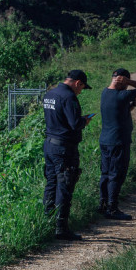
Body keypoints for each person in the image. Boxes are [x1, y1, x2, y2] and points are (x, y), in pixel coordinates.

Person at [42, 70, 93, 241]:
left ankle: (47, 221)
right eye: (82, 88)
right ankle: (61, 228)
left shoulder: (50, 94)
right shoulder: (69, 97)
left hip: (49, 144)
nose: (80, 92)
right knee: (65, 184)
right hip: (64, 148)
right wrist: (84, 121)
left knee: (51, 183)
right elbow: (74, 124)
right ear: (78, 83)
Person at [98, 68, 136, 220]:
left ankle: (103, 204)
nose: (127, 87)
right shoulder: (122, 94)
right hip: (118, 141)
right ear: (121, 81)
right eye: (125, 83)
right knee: (116, 175)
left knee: (106, 174)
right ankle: (112, 209)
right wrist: (129, 82)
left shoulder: (105, 93)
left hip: (106, 141)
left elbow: (121, 110)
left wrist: (135, 104)